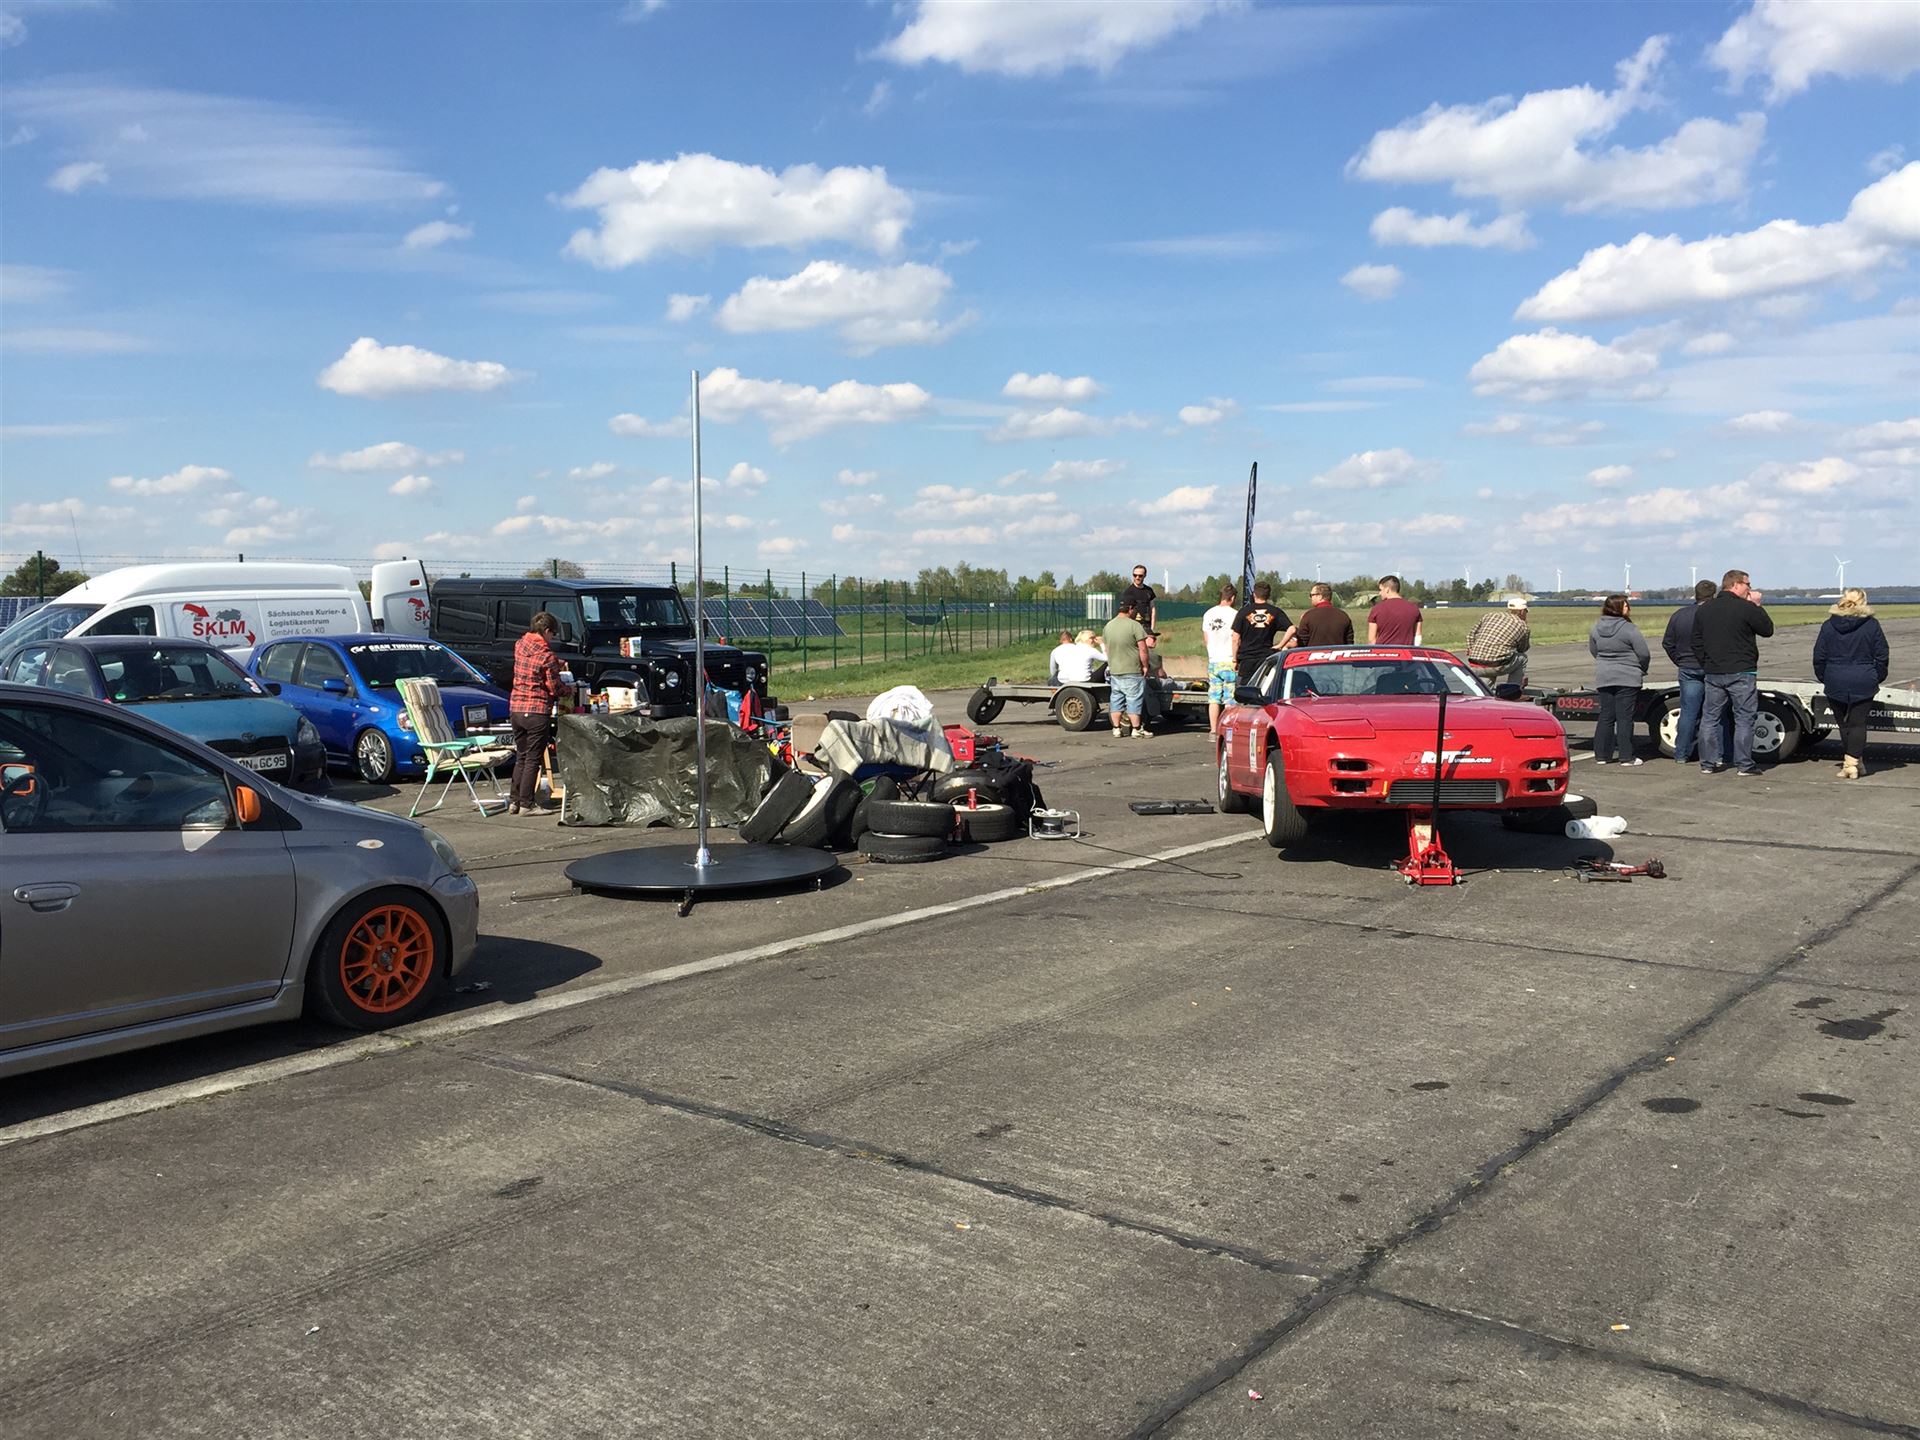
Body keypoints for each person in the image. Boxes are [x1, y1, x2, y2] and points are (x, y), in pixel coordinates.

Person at [1693, 568, 1775, 776]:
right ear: (1736, 584)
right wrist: (1756, 605)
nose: (1750, 588)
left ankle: (1707, 763)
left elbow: (1696, 641)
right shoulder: (1745, 608)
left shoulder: (1705, 609)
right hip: (1741, 671)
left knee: (1709, 718)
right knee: (1744, 719)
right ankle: (1744, 764)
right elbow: (1767, 630)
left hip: (1714, 671)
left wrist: (1707, 662)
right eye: (1748, 584)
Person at [1813, 588, 1889, 781]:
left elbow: (1819, 656)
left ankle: (1852, 763)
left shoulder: (1829, 625)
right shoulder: (1871, 625)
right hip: (1863, 677)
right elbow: (1882, 654)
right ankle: (1853, 763)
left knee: (1844, 725)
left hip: (1835, 677)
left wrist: (1824, 676)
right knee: (1857, 723)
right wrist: (1877, 676)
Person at [509, 610, 568, 814]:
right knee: (533, 759)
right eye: (553, 634)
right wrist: (570, 690)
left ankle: (514, 801)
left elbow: (531, 664)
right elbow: (554, 687)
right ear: (547, 630)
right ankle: (527, 804)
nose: (553, 638)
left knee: (522, 756)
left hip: (516, 709)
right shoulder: (547, 655)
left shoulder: (519, 645)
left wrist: (557, 663)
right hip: (536, 710)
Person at [1588, 594, 1650, 765]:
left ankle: (1602, 755)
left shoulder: (1595, 628)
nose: (1628, 608)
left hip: (1604, 675)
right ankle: (1626, 756)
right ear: (1617, 608)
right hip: (1627, 676)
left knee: (1606, 716)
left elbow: (1594, 650)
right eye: (1625, 605)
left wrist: (1605, 663)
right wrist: (1641, 668)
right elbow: (1643, 653)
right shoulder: (1629, 629)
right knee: (1625, 718)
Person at [1661, 579, 1717, 764]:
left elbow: (1668, 643)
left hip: (1687, 667)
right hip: (1711, 667)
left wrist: (1680, 660)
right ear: (1713, 595)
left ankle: (1681, 754)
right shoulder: (1713, 615)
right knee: (1714, 713)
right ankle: (1716, 754)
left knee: (1688, 712)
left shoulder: (1679, 615)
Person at [1101, 598, 1151, 738]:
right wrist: (1145, 666)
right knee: (1133, 700)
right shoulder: (1134, 625)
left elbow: (1107, 649)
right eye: (1134, 609)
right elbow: (1143, 649)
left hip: (1115, 670)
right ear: (1130, 609)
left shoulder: (1108, 626)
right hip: (1132, 669)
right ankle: (1136, 729)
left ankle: (1116, 728)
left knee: (1116, 699)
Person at [1465, 597, 1531, 687]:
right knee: (1523, 658)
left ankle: (1484, 690)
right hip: (1496, 665)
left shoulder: (1490, 616)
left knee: (1489, 665)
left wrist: (1471, 649)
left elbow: (1471, 635)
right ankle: (1513, 690)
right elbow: (1522, 649)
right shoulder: (1523, 626)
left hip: (1474, 663)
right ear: (1522, 611)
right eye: (1526, 612)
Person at [1201, 583, 1240, 735]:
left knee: (1214, 697)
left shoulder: (1208, 614)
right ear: (1233, 598)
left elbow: (1206, 639)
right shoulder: (1235, 614)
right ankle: (1228, 729)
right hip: (1229, 659)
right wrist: (1236, 658)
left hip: (1214, 660)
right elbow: (1236, 638)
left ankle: (1213, 729)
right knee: (1230, 698)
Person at [1231, 581, 1289, 683]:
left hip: (1247, 659)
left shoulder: (1243, 612)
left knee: (1245, 689)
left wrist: (1234, 659)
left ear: (1254, 594)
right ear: (1268, 595)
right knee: (1264, 687)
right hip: (1266, 658)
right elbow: (1292, 629)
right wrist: (1280, 645)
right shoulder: (1275, 611)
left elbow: (1235, 639)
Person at [1289, 582, 1354, 648]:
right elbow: (1349, 644)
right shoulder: (1344, 616)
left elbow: (1301, 644)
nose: (1310, 598)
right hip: (1338, 654)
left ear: (1320, 596)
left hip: (1314, 654)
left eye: (1311, 595)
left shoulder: (1308, 616)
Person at [1367, 575, 1423, 646]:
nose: (1379, 593)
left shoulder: (1376, 609)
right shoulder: (1414, 608)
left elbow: (1371, 640)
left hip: (1383, 652)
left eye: (1381, 590)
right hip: (1406, 652)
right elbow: (1418, 638)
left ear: (1387, 590)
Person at [1120, 564, 1157, 630]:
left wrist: (1152, 628)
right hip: (1133, 628)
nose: (1137, 577)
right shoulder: (1128, 592)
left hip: (1147, 628)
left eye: (1140, 575)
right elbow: (1124, 613)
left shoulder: (1149, 591)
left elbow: (1153, 609)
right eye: (1135, 575)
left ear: (1145, 576)